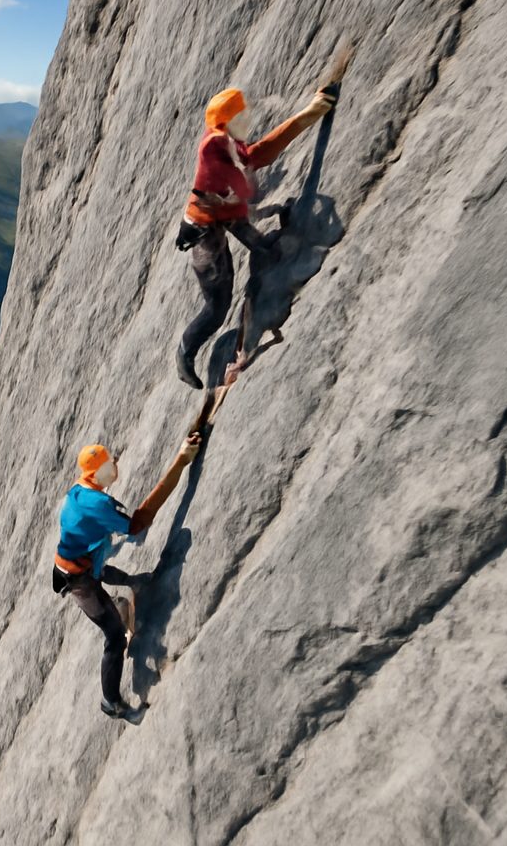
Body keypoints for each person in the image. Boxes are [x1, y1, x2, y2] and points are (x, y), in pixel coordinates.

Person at [173, 86, 336, 388]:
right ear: (226, 122)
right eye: (240, 115)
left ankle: (268, 272)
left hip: (225, 213)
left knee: (266, 250)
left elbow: (260, 154)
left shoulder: (227, 143)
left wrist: (310, 114)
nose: (247, 118)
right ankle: (185, 354)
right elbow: (252, 170)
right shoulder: (214, 150)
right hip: (205, 230)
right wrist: (310, 114)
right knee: (217, 306)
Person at [52, 433, 201, 718]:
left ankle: (132, 585)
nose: (115, 466)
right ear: (97, 472)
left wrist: (109, 465)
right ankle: (111, 703)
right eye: (110, 464)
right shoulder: (97, 504)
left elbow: (97, 490)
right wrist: (181, 462)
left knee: (101, 572)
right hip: (79, 579)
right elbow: (138, 523)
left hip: (76, 563)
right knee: (115, 638)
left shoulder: (80, 489)